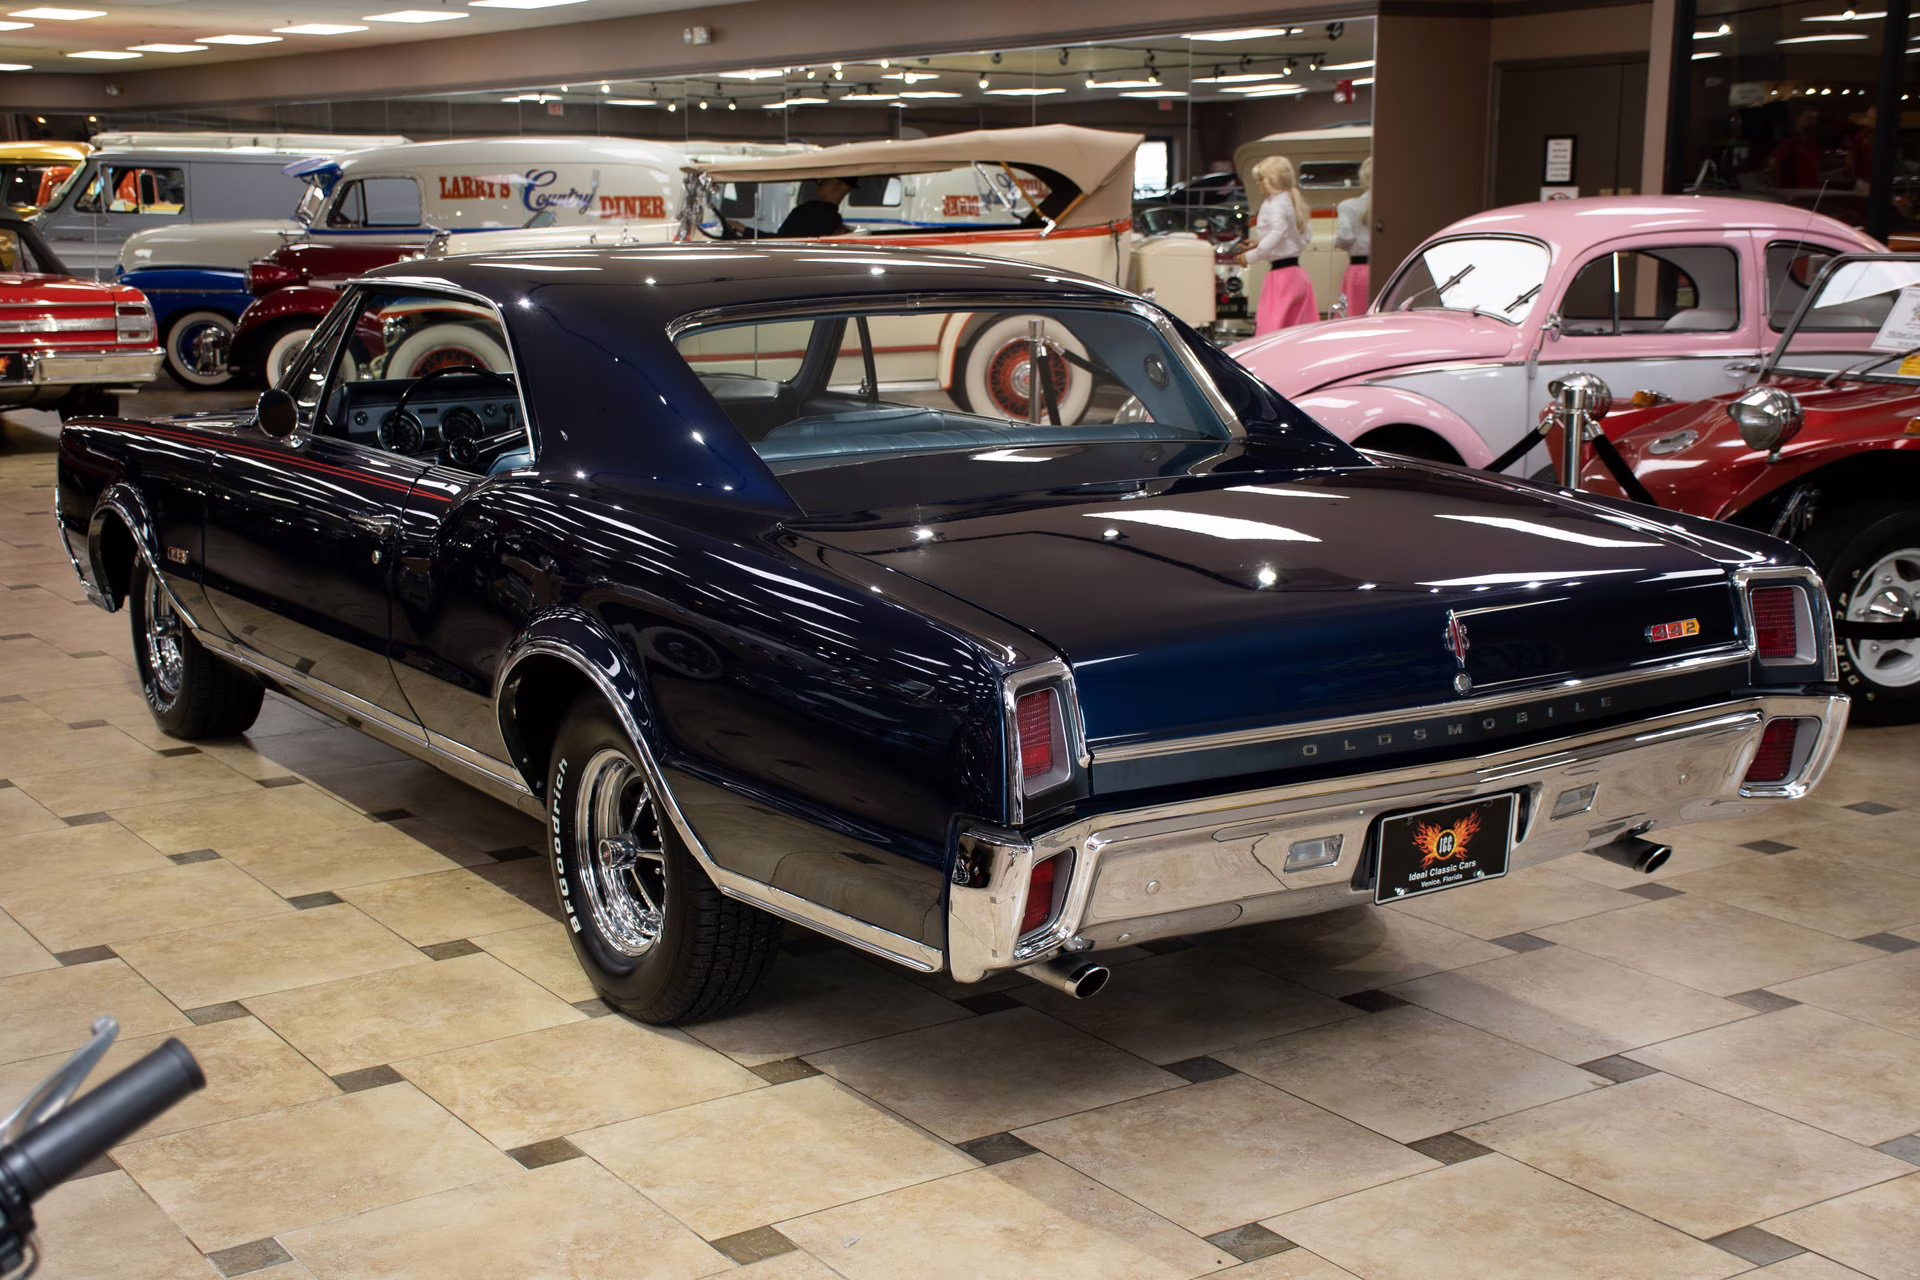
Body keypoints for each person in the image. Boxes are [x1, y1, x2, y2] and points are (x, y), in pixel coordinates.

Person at [1240, 155, 1317, 333]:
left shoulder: (1274, 203)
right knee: (1296, 331)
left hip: (1282, 279)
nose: (1258, 184)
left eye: (1261, 180)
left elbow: (1278, 231)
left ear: (1271, 180)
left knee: (1272, 331)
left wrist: (1251, 256)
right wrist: (1259, 245)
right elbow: (1292, 236)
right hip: (1297, 276)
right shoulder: (1291, 200)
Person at [1334, 157, 1373, 315]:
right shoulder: (1396, 204)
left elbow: (1346, 237)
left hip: (1359, 269)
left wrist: (1337, 242)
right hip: (1389, 269)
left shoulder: (1347, 206)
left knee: (1354, 315)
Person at [777, 175, 856, 237]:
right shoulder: (831, 216)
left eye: (823, 182)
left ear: (837, 186)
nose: (819, 183)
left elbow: (782, 238)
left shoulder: (809, 211)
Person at [1770, 109, 1822, 191]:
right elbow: (1775, 164)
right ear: (1797, 119)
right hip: (1794, 191)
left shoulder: (1812, 142)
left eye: (1815, 118)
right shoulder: (1788, 141)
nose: (1812, 121)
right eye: (1808, 118)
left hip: (1812, 191)